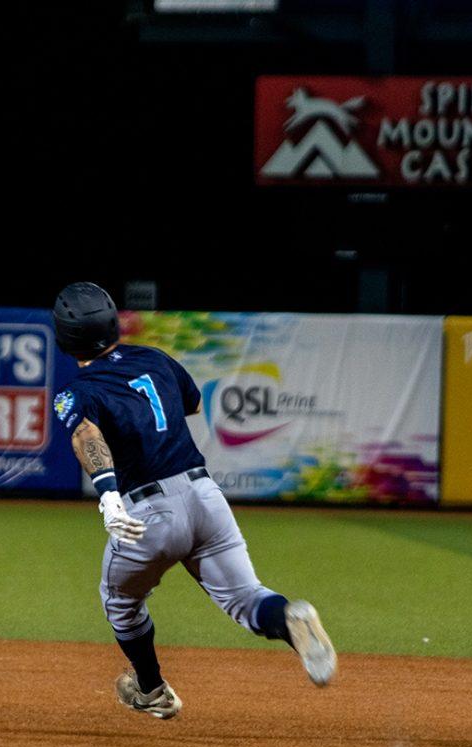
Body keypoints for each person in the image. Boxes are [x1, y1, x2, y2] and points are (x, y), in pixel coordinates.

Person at [51, 282, 336, 720]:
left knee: (119, 601)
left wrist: (109, 497)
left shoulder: (77, 391)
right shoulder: (155, 358)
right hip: (205, 496)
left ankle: (151, 689)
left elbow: (85, 433)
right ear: (112, 322)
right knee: (247, 597)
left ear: (64, 336)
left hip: (147, 513)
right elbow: (189, 403)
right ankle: (290, 622)